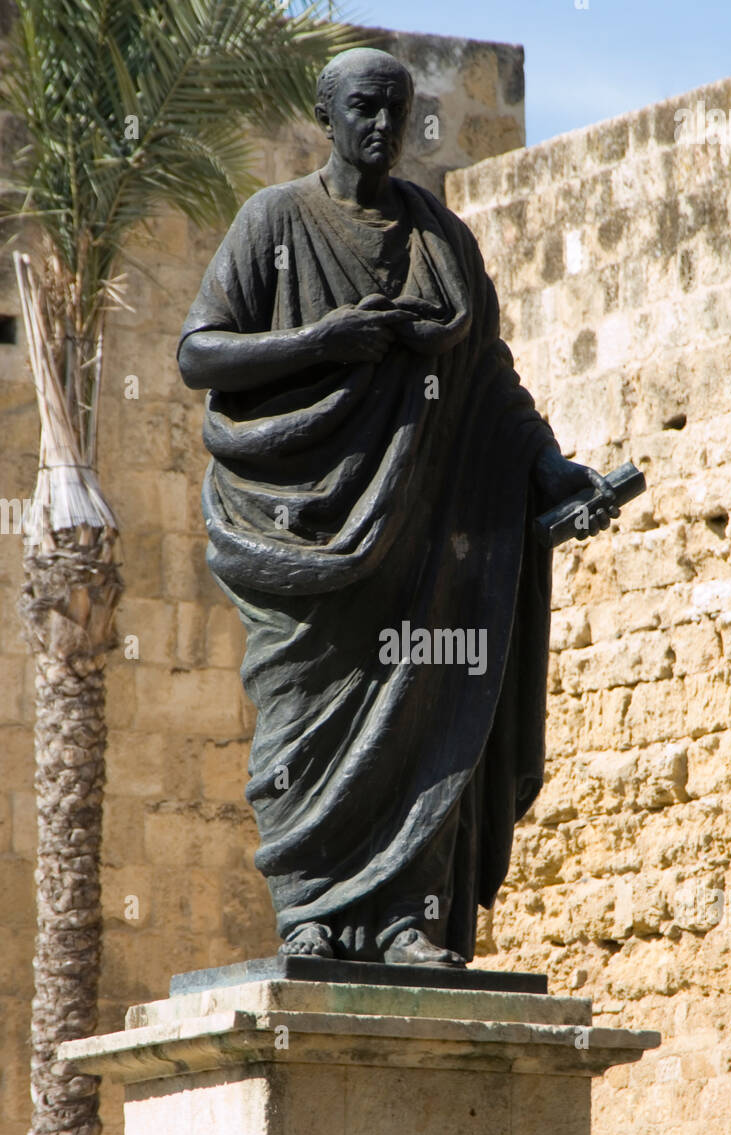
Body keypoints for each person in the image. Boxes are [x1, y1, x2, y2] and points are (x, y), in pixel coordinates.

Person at [177, 47, 618, 968]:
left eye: (396, 110)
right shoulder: (275, 221)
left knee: (425, 713)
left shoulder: (442, 241)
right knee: (302, 714)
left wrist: (548, 467)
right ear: (327, 116)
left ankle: (406, 919)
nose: (382, 127)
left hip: (424, 534)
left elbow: (487, 376)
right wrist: (321, 341)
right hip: (305, 536)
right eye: (364, 109)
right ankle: (309, 910)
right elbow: (201, 354)